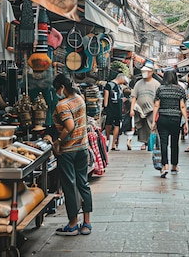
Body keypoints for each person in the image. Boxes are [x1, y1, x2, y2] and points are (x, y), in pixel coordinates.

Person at [45, 74, 93, 236]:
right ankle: (86, 222)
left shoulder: (62, 105)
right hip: (82, 147)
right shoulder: (80, 98)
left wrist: (58, 141)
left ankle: (73, 223)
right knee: (83, 184)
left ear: (62, 87)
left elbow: (70, 126)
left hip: (68, 150)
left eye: (57, 89)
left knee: (69, 187)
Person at [151, 71, 189, 178]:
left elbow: (156, 106)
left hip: (162, 119)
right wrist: (186, 121)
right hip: (175, 119)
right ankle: (174, 165)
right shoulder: (180, 89)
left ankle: (165, 165)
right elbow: (182, 106)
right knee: (174, 142)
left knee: (163, 142)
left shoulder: (160, 89)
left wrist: (153, 121)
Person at [130, 66, 160, 150]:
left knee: (152, 127)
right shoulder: (138, 83)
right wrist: (132, 109)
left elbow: (159, 98)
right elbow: (134, 97)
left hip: (152, 109)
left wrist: (157, 109)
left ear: (151, 72)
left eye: (146, 71)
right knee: (142, 127)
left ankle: (153, 143)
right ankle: (145, 143)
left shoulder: (156, 84)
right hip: (140, 110)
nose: (144, 73)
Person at [103, 73, 129, 151]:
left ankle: (111, 142)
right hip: (114, 108)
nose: (123, 83)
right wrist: (105, 106)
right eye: (123, 81)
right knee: (112, 124)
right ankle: (110, 142)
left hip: (114, 108)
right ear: (120, 78)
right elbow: (106, 97)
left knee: (111, 124)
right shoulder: (111, 85)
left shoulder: (113, 85)